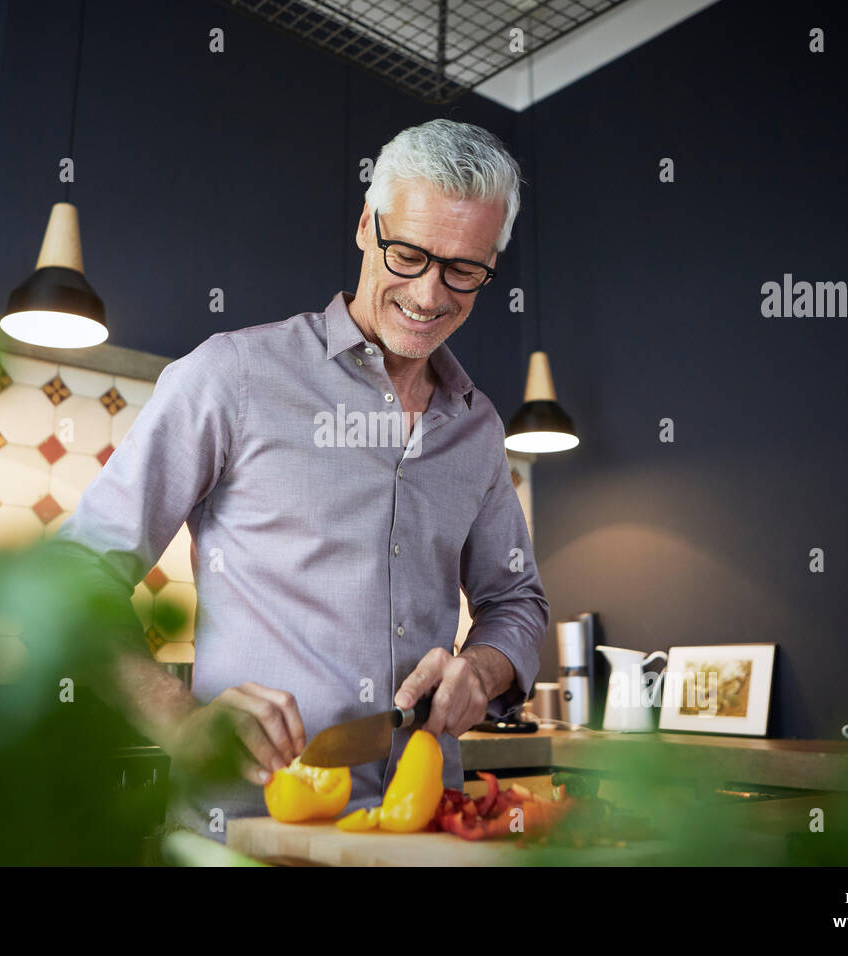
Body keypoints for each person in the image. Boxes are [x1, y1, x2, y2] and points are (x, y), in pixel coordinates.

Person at [52, 118, 549, 841]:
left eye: (464, 270)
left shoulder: (478, 431)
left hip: (422, 831)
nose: (430, 293)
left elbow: (516, 601)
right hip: (252, 832)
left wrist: (483, 670)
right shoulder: (233, 375)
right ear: (364, 227)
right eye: (407, 253)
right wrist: (179, 718)